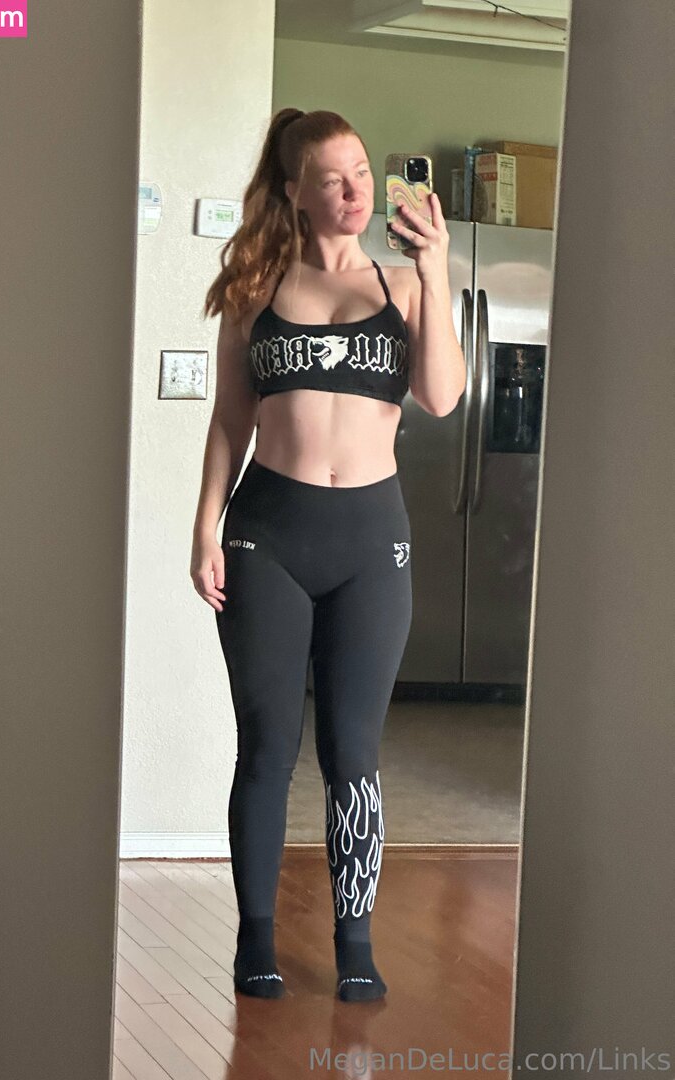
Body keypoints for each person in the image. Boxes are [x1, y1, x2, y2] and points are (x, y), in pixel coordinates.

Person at [190, 108, 465, 1003]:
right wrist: (203, 527)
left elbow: (442, 397)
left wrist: (438, 270)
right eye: (332, 179)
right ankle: (256, 940)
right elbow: (229, 419)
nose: (354, 192)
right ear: (295, 192)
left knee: (354, 751)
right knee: (268, 747)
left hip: (370, 544)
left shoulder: (405, 285)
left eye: (362, 173)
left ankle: (355, 943)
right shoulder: (255, 288)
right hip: (267, 536)